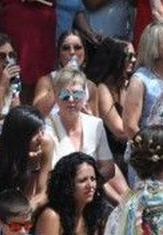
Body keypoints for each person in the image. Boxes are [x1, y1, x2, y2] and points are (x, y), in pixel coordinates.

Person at [46, 68, 126, 203]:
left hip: (92, 197)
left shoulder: (95, 124)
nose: (71, 100)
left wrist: (88, 186)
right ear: (55, 96)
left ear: (84, 96)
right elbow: (47, 173)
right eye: (65, 95)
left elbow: (108, 168)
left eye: (77, 95)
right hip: (60, 199)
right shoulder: (46, 127)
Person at [122, 21, 163, 140]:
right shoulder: (141, 79)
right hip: (152, 147)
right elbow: (130, 126)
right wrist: (152, 149)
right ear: (154, 46)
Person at [86, 34, 136, 161]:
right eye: (129, 56)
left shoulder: (128, 84)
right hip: (113, 156)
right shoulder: (103, 89)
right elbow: (119, 131)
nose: (134, 60)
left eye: (135, 55)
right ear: (116, 59)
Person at [32, 29, 89, 115]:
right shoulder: (46, 81)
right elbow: (38, 113)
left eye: (77, 48)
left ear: (84, 53)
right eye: (66, 48)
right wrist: (62, 81)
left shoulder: (91, 86)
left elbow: (95, 121)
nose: (72, 52)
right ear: (59, 54)